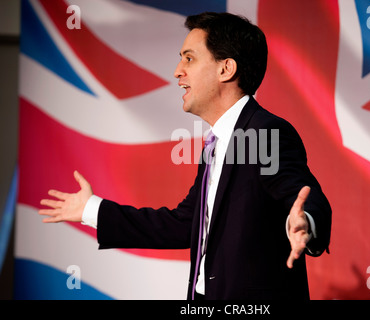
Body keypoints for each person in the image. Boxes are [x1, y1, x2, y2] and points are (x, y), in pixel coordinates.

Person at [39, 12, 332, 300]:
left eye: (189, 58)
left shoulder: (265, 132)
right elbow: (184, 224)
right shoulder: (215, 143)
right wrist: (93, 210)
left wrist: (304, 219)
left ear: (225, 69)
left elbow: (305, 194)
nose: (178, 71)